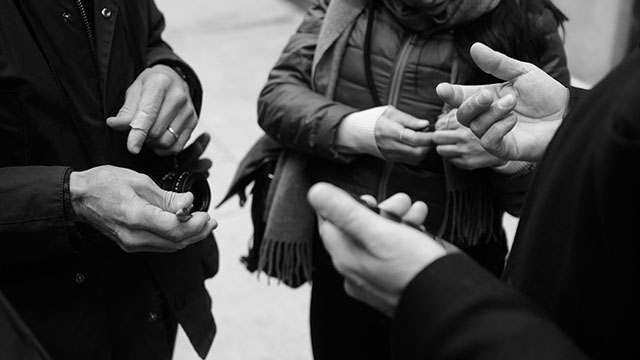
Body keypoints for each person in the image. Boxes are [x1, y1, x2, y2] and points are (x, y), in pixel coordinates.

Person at [239, 0, 570, 358]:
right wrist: (360, 130)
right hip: (350, 249)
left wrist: (502, 155)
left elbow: (548, 187)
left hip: (455, 262)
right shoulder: (347, 5)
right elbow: (277, 96)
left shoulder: (528, 16)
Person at [307, 40, 640, 359]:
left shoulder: (528, 20)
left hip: (467, 281)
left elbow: (533, 201)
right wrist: (570, 114)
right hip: (417, 280)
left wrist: (436, 288)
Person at [0, 1, 218, 359]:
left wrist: (171, 75)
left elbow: (149, 39)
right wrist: (74, 198)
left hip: (148, 298)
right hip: (39, 327)